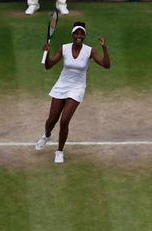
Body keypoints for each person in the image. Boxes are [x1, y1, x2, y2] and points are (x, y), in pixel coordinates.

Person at [35, 22, 110, 163]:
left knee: (64, 121)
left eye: (82, 33)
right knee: (52, 120)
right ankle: (46, 135)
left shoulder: (90, 51)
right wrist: (47, 52)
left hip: (77, 88)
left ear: (84, 35)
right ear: (72, 34)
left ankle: (59, 151)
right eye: (77, 33)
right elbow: (48, 66)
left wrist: (104, 47)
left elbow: (106, 65)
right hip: (61, 86)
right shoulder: (64, 48)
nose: (79, 36)